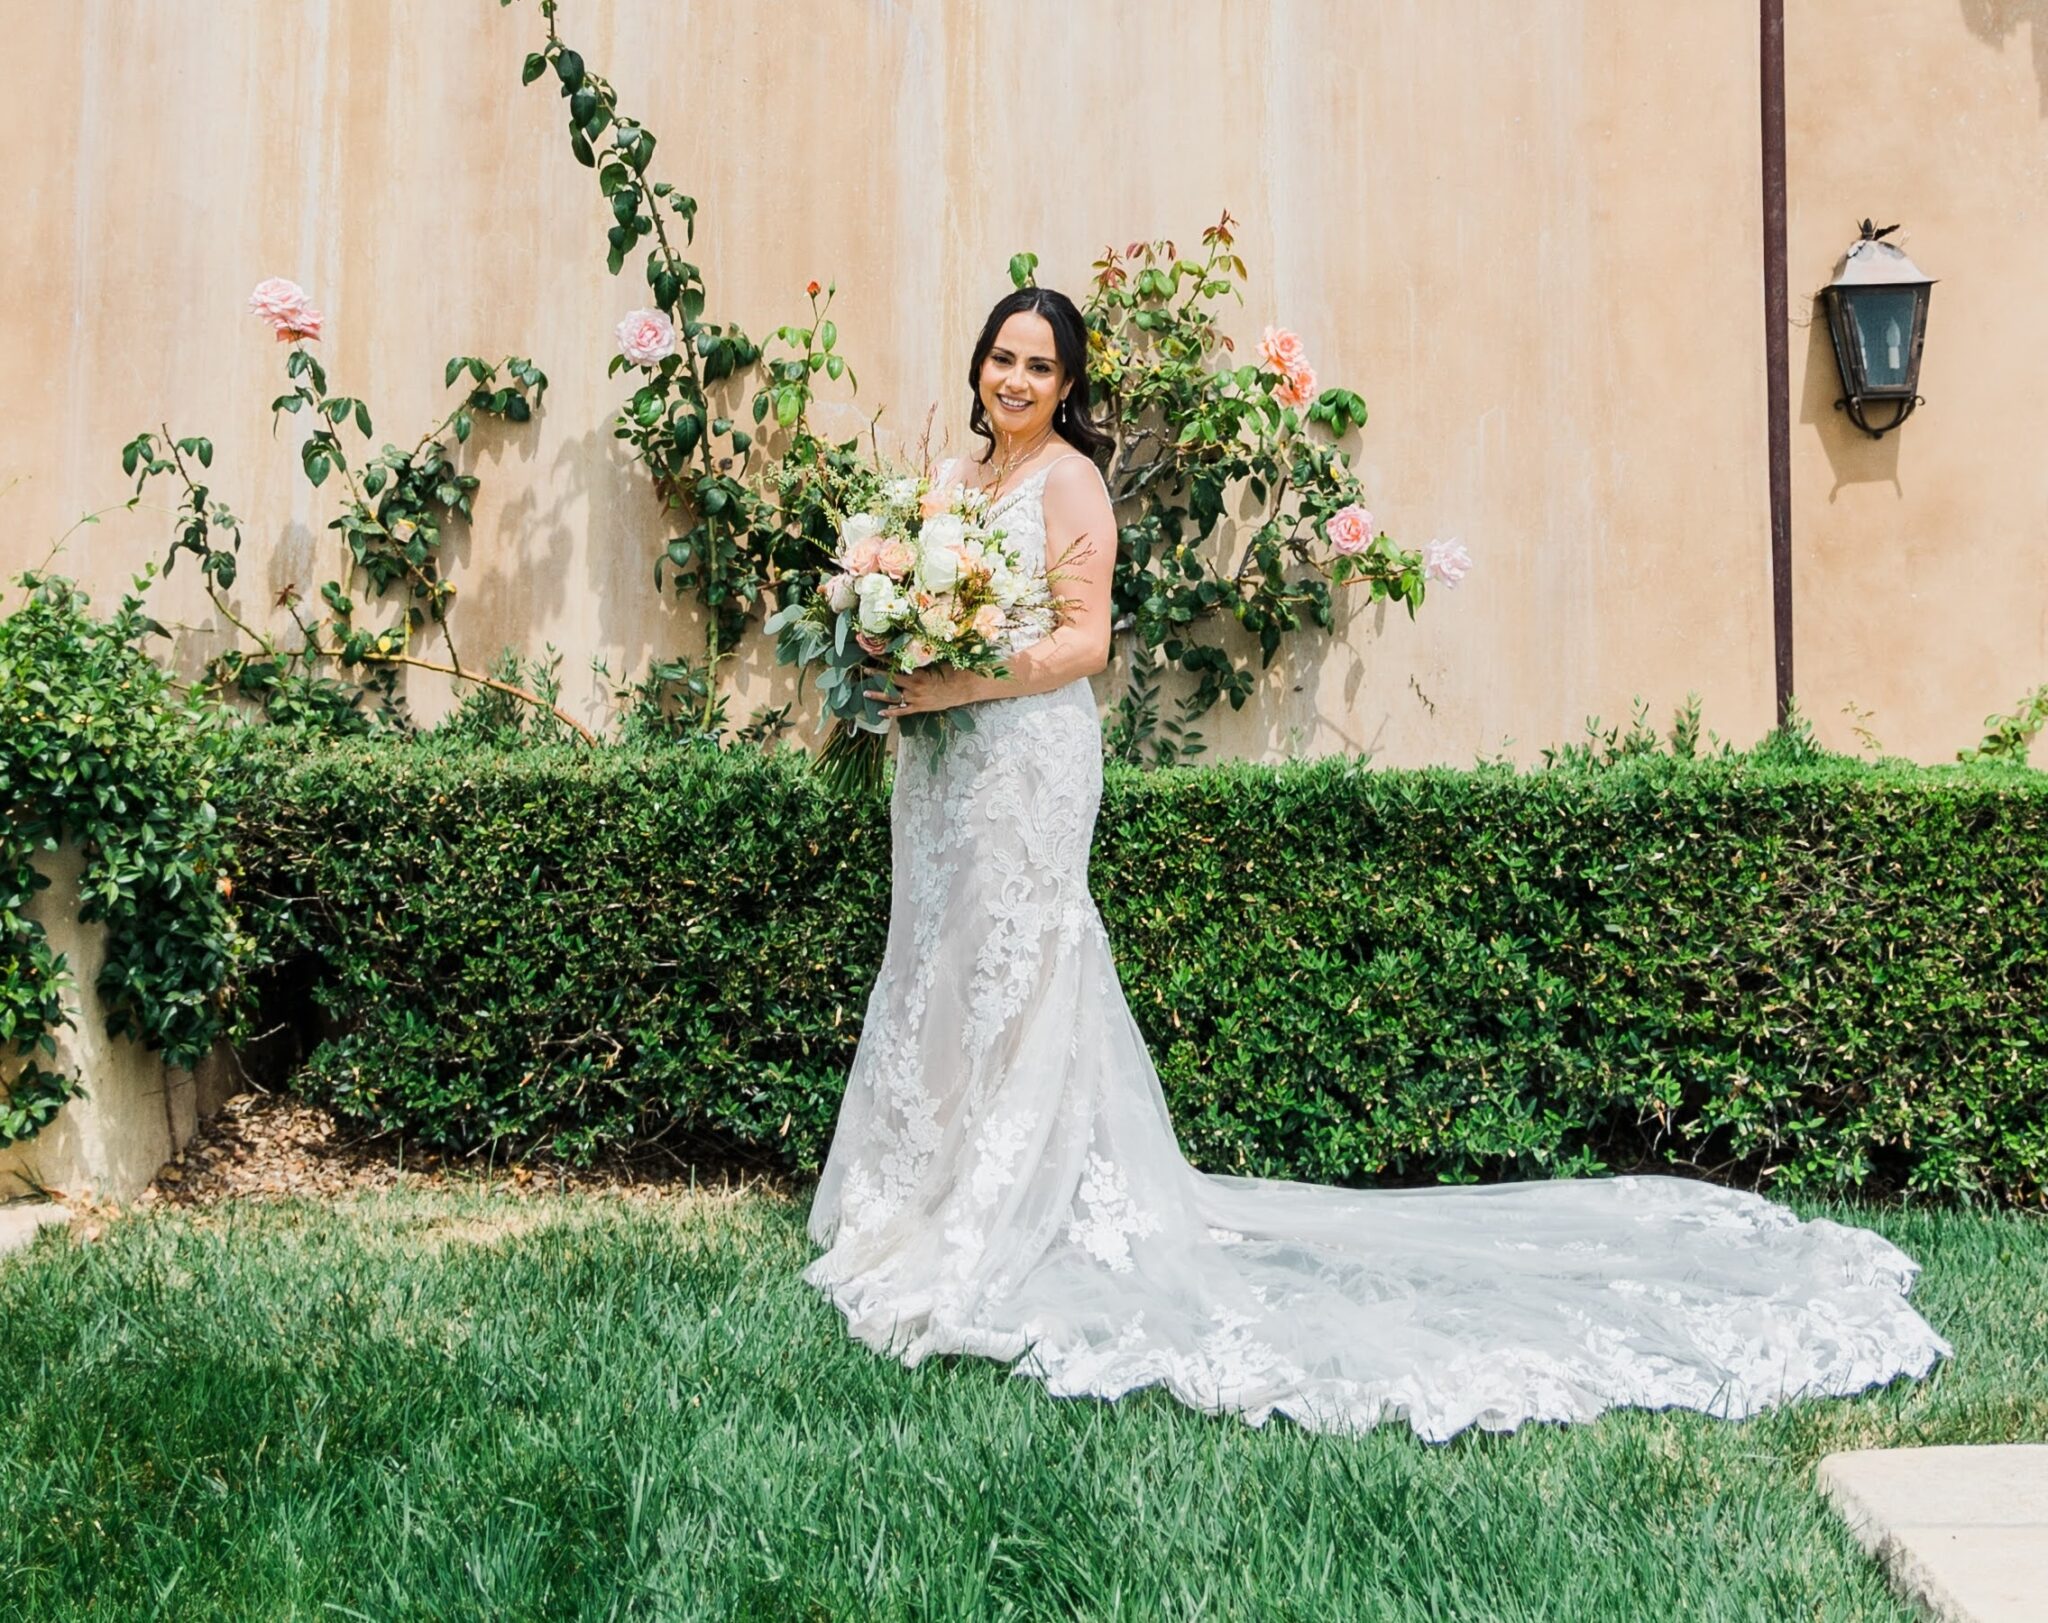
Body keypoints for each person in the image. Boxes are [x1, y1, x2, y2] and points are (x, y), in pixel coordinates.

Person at [801, 286, 1950, 1442]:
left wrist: (949, 682)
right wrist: (888, 645)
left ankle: (1001, 1214)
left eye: (1039, 367)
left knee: (1018, 968)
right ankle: (924, 1191)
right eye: (1002, 358)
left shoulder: (1069, 482)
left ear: (1067, 386)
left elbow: (1084, 643)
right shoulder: (950, 483)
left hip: (1025, 765)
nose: (1014, 381)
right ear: (979, 363)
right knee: (940, 960)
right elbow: (930, 612)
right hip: (940, 770)